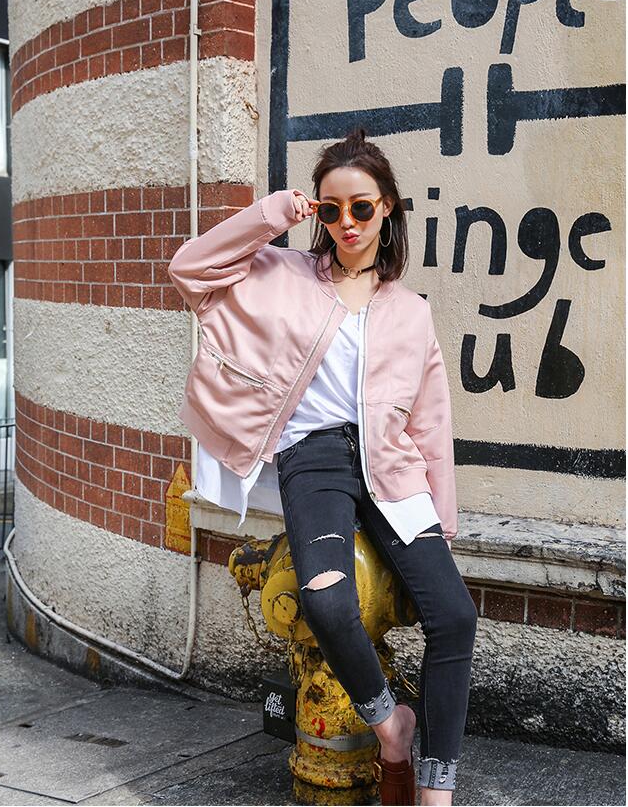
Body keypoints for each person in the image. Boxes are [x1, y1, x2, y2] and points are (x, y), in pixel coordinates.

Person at [168, 127, 478, 806]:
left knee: (456, 617)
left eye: (361, 208)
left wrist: (441, 526)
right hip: (313, 457)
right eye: (332, 209)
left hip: (391, 465)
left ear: (387, 208)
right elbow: (189, 269)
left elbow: (431, 422)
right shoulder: (280, 274)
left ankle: (437, 791)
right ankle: (390, 726)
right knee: (327, 601)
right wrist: (272, 214)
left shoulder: (411, 312)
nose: (347, 223)